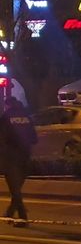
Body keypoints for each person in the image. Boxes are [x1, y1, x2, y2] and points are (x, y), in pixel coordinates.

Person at [0, 97, 37, 227]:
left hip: (11, 159)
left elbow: (2, 138)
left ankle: (22, 218)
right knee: (16, 189)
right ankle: (10, 213)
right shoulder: (26, 116)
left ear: (8, 105)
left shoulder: (6, 117)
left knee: (14, 189)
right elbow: (34, 138)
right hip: (25, 157)